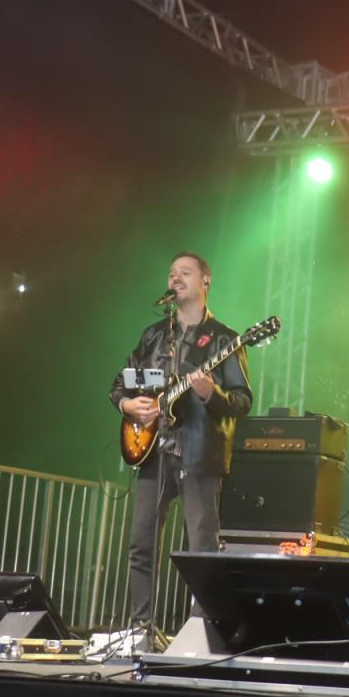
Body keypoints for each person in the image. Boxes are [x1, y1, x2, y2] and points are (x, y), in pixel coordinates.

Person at [110, 251, 253, 647]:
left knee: (202, 551)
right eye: (172, 273)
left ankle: (200, 633)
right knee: (141, 544)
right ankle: (140, 630)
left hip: (199, 455)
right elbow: (120, 385)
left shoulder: (224, 339)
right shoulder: (155, 335)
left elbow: (242, 401)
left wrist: (211, 393)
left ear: (205, 281)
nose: (175, 278)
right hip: (153, 451)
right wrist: (128, 405)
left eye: (185, 272)